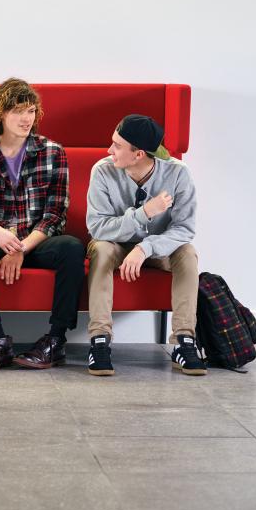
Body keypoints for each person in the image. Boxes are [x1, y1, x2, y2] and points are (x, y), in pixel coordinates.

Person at [0, 78, 85, 373]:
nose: (26, 119)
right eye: (18, 111)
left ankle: (55, 341)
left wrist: (20, 248)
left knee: (72, 248)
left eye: (31, 111)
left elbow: (55, 213)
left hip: (38, 241)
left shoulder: (53, 152)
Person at [85, 114, 205, 376]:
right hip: (116, 245)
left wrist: (145, 248)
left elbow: (184, 229)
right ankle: (99, 340)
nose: (109, 150)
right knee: (101, 249)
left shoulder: (178, 174)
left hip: (158, 248)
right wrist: (143, 214)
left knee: (187, 253)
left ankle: (184, 342)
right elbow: (97, 228)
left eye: (117, 146)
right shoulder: (102, 171)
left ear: (138, 154)